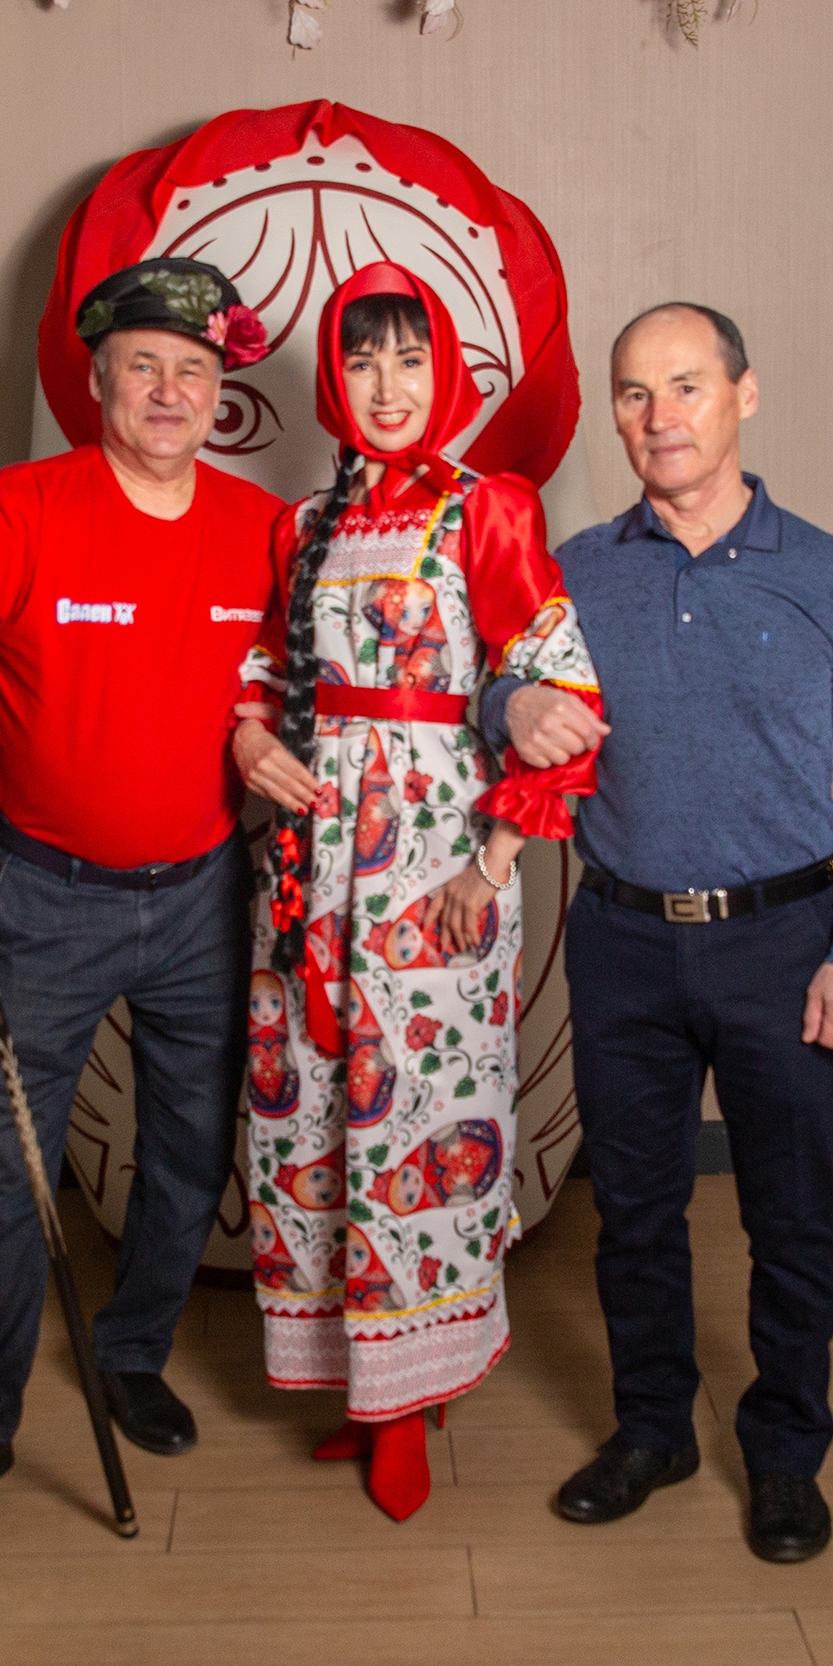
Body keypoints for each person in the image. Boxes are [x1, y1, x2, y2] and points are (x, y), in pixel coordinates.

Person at [481, 302, 833, 1564]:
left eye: (685, 385)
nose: (658, 415)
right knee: (634, 1209)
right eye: (633, 392)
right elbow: (490, 680)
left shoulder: (832, 574)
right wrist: (511, 706)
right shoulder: (575, 568)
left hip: (787, 940)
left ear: (743, 395)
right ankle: (653, 1428)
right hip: (621, 939)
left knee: (791, 1214)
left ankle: (784, 1453)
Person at [0, 258, 281, 1539]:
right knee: (4, 1169)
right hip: (48, 898)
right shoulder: (19, 503)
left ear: (219, 393)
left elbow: (292, 680)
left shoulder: (261, 527)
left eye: (193, 370)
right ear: (97, 378)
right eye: (144, 364)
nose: (170, 390)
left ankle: (132, 1350)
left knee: (190, 1148)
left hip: (205, 889)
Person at [231, 262, 608, 1522]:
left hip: (434, 854)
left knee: (418, 1115)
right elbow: (258, 671)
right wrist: (249, 734)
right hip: (309, 858)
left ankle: (407, 1402)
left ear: (444, 373)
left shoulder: (487, 508)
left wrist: (489, 864)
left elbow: (564, 690)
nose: (385, 387)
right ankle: (359, 1381)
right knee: (309, 1107)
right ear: (334, 383)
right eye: (361, 361)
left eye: (409, 359)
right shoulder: (300, 524)